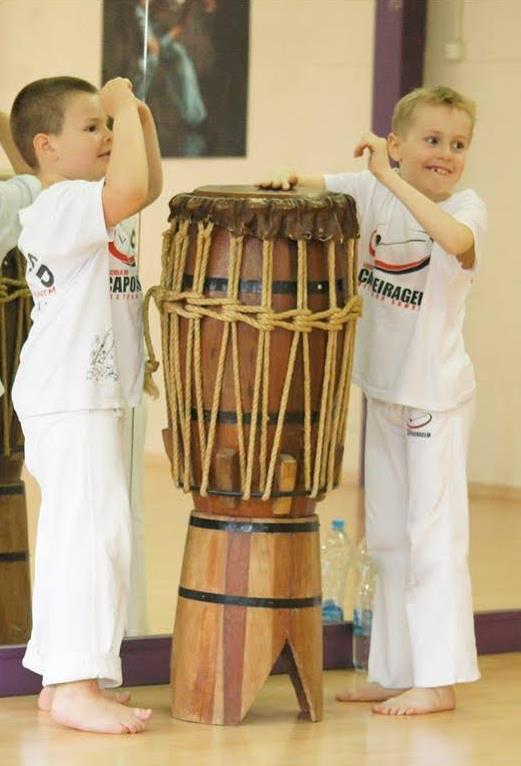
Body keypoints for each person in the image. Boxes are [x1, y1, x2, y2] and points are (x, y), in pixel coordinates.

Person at [258, 85, 486, 716]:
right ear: (397, 142)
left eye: (457, 144)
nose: (445, 153)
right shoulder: (373, 189)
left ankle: (439, 679)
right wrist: (289, 177)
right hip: (385, 395)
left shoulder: (466, 207)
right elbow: (316, 183)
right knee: (388, 539)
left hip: (434, 402)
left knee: (433, 538)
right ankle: (396, 669)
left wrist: (387, 176)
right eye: (432, 140)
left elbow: (454, 240)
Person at [9, 74, 162, 734]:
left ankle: (63, 676)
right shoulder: (62, 204)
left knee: (95, 534)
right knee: (90, 538)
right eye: (91, 127)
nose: (106, 136)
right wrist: (124, 108)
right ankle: (73, 684)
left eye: (107, 126)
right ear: (45, 146)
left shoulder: (86, 199)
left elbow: (144, 187)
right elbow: (129, 188)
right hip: (70, 393)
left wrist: (138, 122)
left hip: (84, 392)